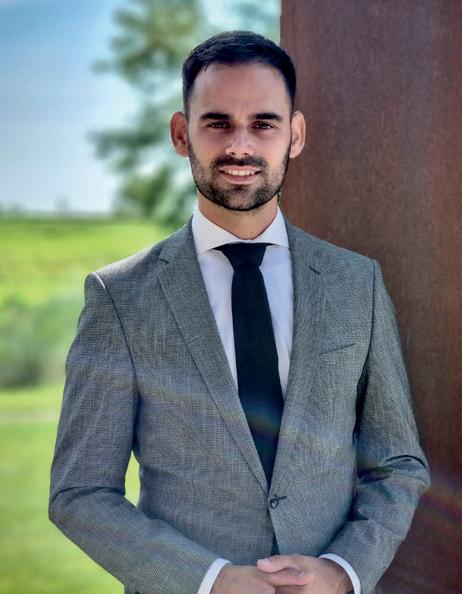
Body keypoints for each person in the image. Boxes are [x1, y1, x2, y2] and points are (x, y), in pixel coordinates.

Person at [49, 31, 430, 594]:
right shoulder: (120, 297)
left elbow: (397, 463)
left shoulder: (357, 284)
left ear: (295, 135)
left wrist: (343, 571)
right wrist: (211, 581)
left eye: (264, 124)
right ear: (182, 134)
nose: (240, 146)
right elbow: (80, 492)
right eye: (218, 123)